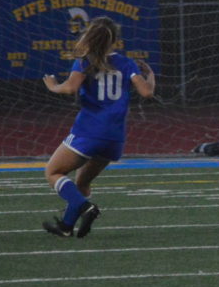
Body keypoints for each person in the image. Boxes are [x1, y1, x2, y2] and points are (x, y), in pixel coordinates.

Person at [40, 16, 154, 238]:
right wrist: (151, 76)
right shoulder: (127, 63)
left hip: (89, 131)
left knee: (53, 172)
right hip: (115, 138)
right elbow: (147, 92)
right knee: (82, 182)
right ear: (115, 40)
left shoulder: (86, 61)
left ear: (89, 36)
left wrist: (53, 86)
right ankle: (66, 226)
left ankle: (85, 207)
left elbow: (70, 88)